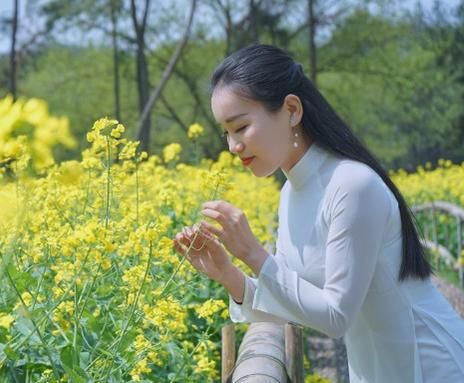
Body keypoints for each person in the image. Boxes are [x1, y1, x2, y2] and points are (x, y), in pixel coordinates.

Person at [173, 44, 464, 382]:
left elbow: (335, 316)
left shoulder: (352, 185)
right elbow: (294, 303)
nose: (233, 146)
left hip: (431, 366)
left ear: (292, 110)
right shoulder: (289, 194)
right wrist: (227, 274)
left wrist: (252, 252)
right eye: (226, 132)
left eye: (240, 127)